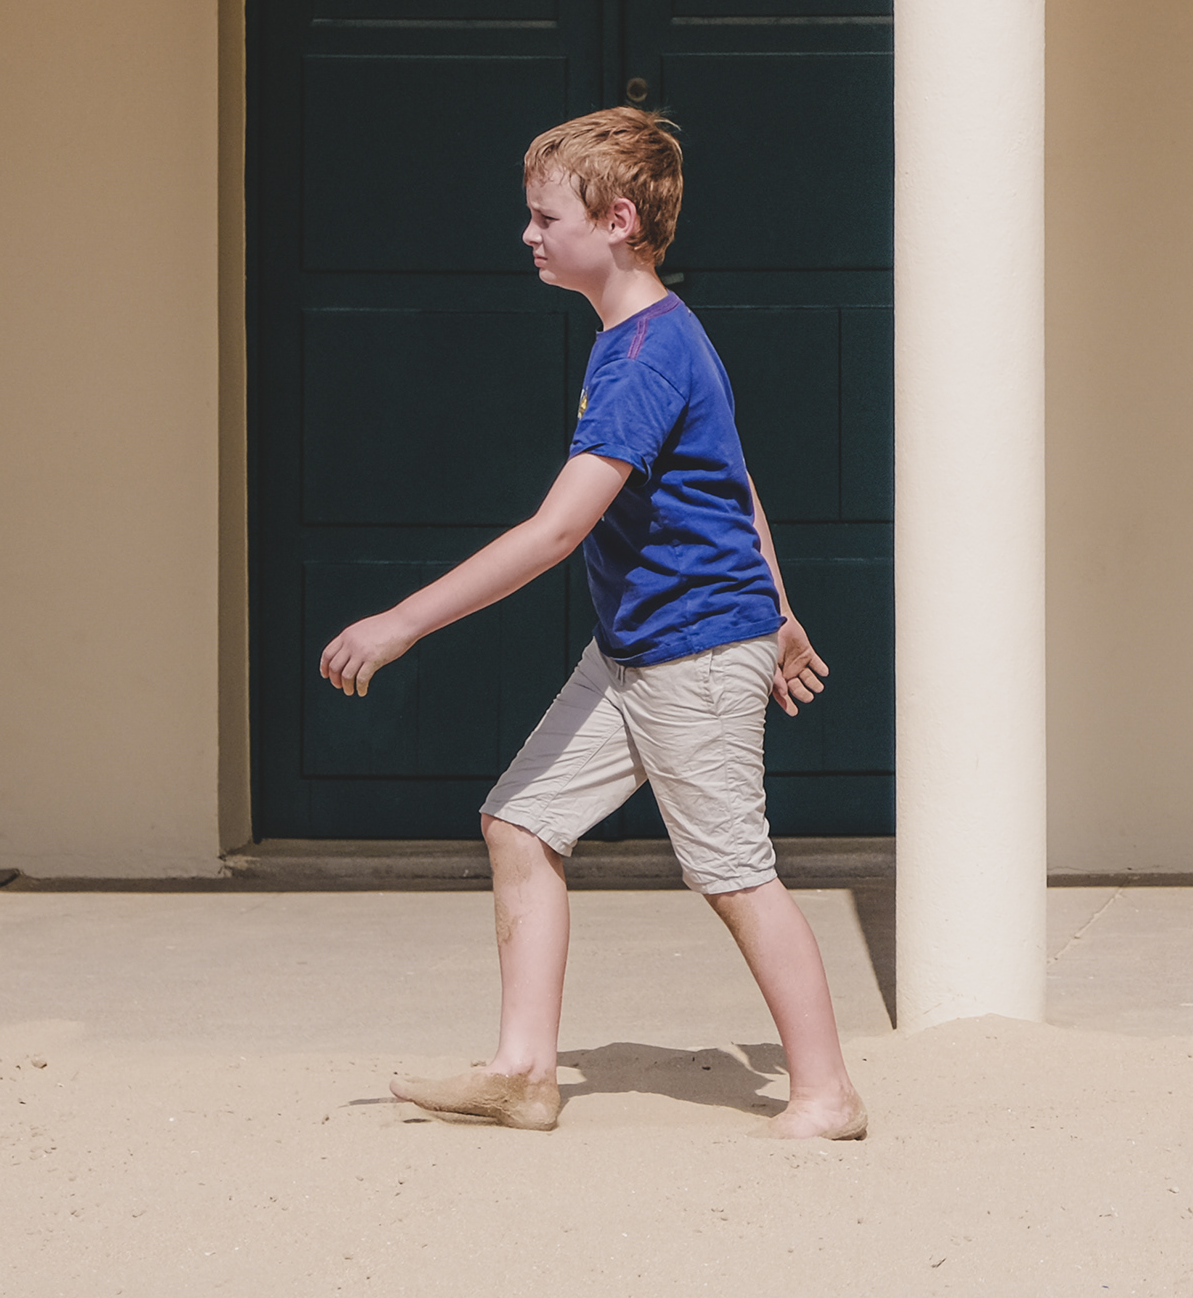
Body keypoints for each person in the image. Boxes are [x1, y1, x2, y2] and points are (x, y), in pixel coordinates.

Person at [317, 106, 867, 1140]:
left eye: (542, 216)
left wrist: (401, 620)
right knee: (520, 820)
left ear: (617, 221)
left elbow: (558, 530)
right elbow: (736, 485)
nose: (526, 234)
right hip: (635, 650)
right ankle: (524, 1070)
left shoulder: (645, 356)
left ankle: (827, 1093)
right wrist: (783, 611)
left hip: (693, 654)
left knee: (735, 874)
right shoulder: (648, 338)